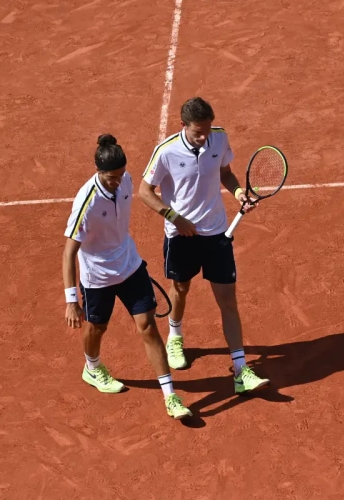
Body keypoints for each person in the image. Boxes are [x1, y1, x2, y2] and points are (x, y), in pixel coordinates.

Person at [138, 97, 270, 395]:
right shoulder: (167, 152)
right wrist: (173, 216)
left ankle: (240, 370)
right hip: (180, 236)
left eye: (208, 129)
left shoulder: (219, 138)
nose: (205, 136)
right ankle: (175, 335)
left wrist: (238, 193)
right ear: (183, 125)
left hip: (216, 232)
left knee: (228, 300)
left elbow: (225, 171)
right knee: (180, 289)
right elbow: (145, 191)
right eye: (199, 131)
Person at [62, 133, 192, 420]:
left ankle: (170, 396)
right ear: (98, 172)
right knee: (97, 329)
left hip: (130, 265)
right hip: (97, 277)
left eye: (121, 176)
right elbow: (69, 252)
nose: (118, 182)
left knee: (147, 326)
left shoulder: (126, 180)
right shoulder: (87, 202)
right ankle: (92, 368)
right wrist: (72, 300)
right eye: (111, 178)